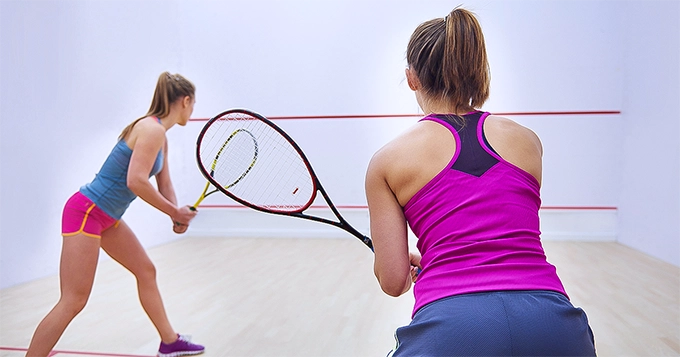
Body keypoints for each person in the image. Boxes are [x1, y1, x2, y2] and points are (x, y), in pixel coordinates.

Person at [365, 8, 597, 357]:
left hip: (451, 328)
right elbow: (496, 221)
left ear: (412, 78)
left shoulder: (389, 160)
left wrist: (396, 260)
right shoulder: (527, 141)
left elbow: (394, 281)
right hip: (555, 323)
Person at [26, 72, 205, 357]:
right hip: (86, 212)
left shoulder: (162, 137)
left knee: (146, 271)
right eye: (194, 104)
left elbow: (165, 183)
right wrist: (174, 211)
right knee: (73, 300)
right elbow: (136, 181)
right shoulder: (151, 129)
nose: (194, 111)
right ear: (185, 101)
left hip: (107, 217)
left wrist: (176, 216)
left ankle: (169, 342)